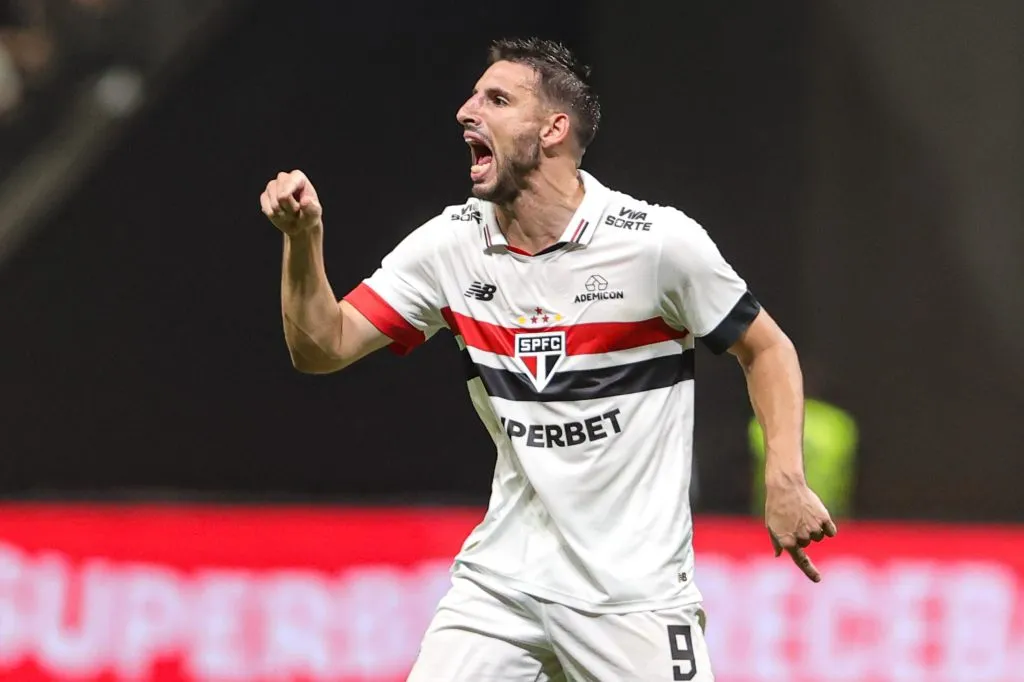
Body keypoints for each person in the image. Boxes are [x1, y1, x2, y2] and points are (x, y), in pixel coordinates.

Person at [260, 37, 836, 682]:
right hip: (500, 585)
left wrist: (784, 478)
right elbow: (321, 348)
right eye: (474, 95)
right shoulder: (450, 246)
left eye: (496, 99)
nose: (464, 111)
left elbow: (767, 347)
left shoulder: (656, 244)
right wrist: (303, 241)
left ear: (553, 129)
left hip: (631, 597)